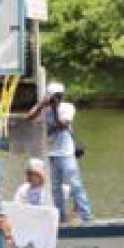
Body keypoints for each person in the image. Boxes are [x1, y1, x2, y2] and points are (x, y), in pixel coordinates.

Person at [25, 82, 91, 223]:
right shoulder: (44, 108)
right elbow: (29, 117)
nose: (55, 99)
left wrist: (54, 109)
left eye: (57, 96)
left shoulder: (67, 107)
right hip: (52, 154)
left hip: (66, 153)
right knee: (55, 189)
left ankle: (86, 217)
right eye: (53, 96)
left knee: (75, 184)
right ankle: (62, 219)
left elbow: (61, 126)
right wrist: (42, 105)